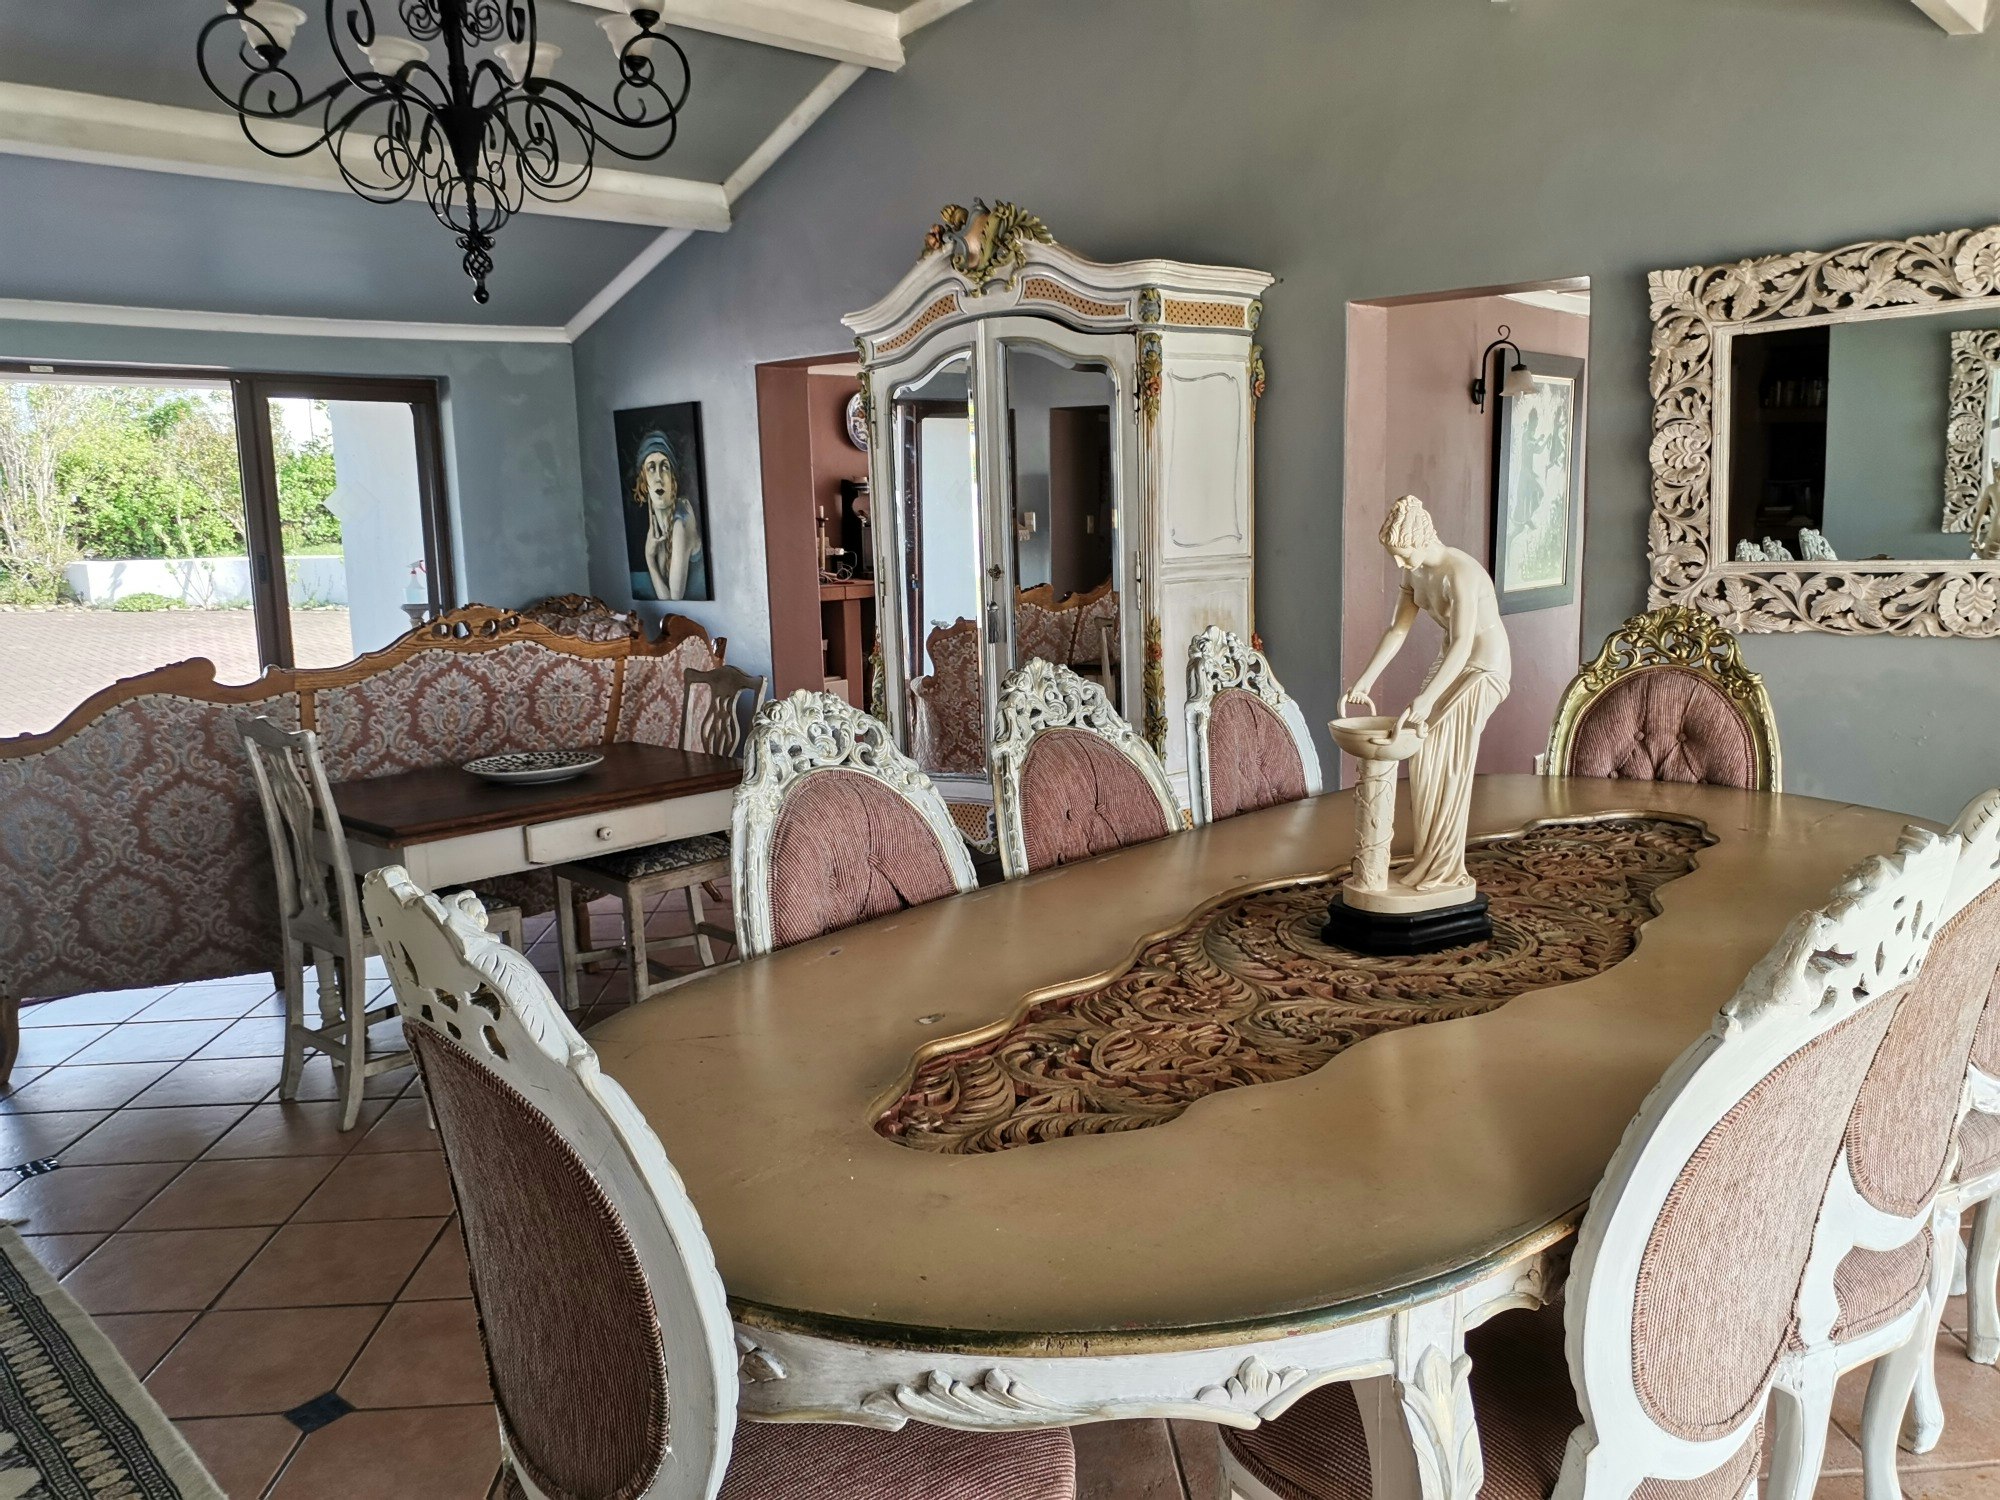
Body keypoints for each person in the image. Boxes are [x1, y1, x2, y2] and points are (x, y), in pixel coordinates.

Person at [1342, 495, 1512, 895]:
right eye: (1394, 556)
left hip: (1482, 668)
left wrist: (1426, 699)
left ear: (1422, 539)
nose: (1399, 563)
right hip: (1451, 661)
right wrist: (1365, 679)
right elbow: (1397, 631)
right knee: (1421, 754)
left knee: (1449, 761)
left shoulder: (1461, 573)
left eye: (1403, 554)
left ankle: (1446, 868)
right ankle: (1429, 859)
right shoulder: (1415, 573)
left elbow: (1463, 643)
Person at [628, 431, 706, 600]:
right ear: (643, 482)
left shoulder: (682, 521)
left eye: (664, 467)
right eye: (651, 468)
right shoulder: (658, 524)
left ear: (673, 479)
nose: (658, 478)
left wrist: (650, 558)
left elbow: (672, 601)